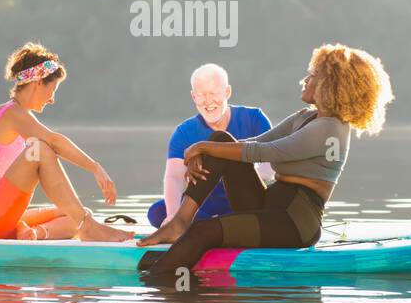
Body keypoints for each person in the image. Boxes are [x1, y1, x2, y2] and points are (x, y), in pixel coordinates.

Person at [137, 44, 393, 276]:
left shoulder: (330, 130)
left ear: (331, 84)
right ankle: (179, 221)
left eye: (312, 75)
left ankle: (155, 284)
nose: (304, 80)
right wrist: (207, 150)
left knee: (203, 231)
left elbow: (264, 151)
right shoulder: (306, 116)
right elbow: (249, 143)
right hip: (269, 203)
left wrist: (202, 146)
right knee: (222, 139)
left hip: (294, 221)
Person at [0, 42, 135, 242]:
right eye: (52, 89)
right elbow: (53, 140)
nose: (52, 99)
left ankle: (33, 234)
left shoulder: (18, 116)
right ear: (37, 82)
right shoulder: (10, 113)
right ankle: (88, 227)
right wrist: (95, 168)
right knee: (40, 149)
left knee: (74, 213)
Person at [145, 63, 274, 229]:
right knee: (157, 212)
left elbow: (269, 169)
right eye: (201, 95)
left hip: (246, 196)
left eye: (213, 93)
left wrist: (233, 171)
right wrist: (172, 215)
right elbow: (174, 177)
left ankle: (216, 224)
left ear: (227, 92)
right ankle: (219, 223)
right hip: (206, 200)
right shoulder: (184, 132)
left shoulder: (254, 118)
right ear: (193, 97)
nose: (208, 101)